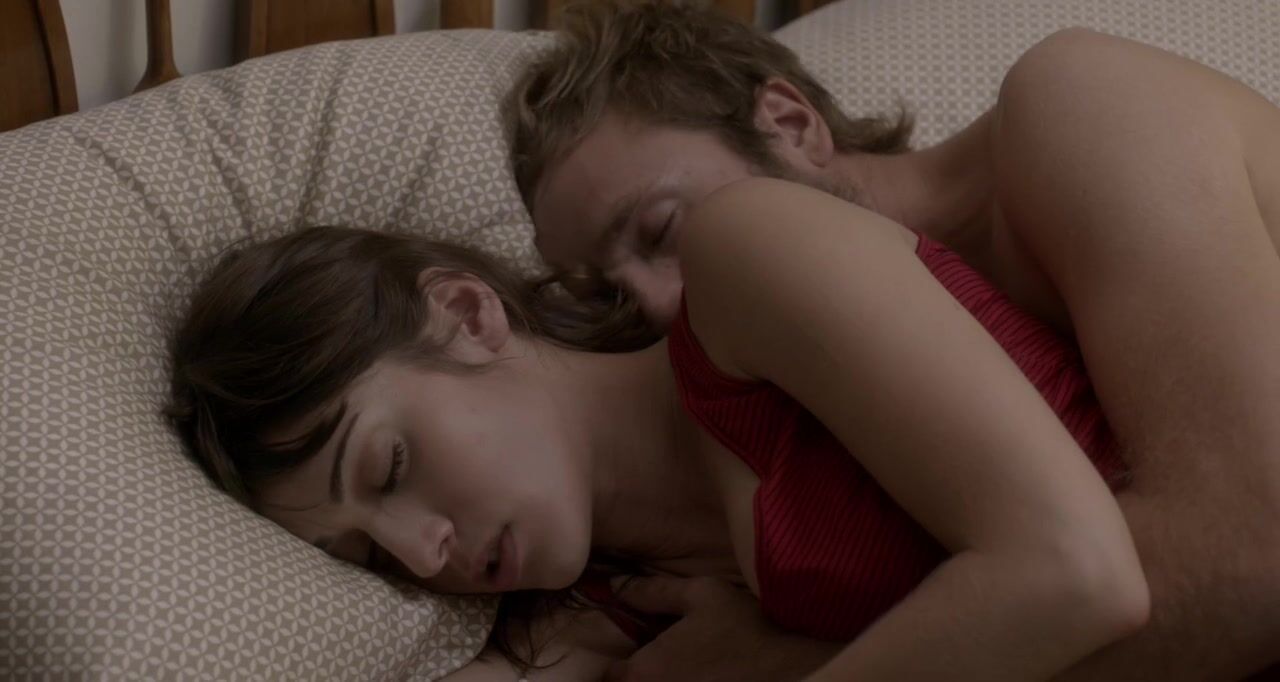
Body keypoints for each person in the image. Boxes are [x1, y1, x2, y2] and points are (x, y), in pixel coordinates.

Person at [507, 2, 1280, 680]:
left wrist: (794, 666)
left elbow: (1255, 555)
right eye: (609, 297)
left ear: (789, 124)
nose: (658, 306)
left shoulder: (1078, 107)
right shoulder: (841, 428)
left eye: (662, 230)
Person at [169, 215, 1148, 681]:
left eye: (389, 468)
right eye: (366, 553)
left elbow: (1076, 573)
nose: (422, 555)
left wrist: (776, 663)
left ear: (467, 314)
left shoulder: (749, 269)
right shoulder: (602, 615)